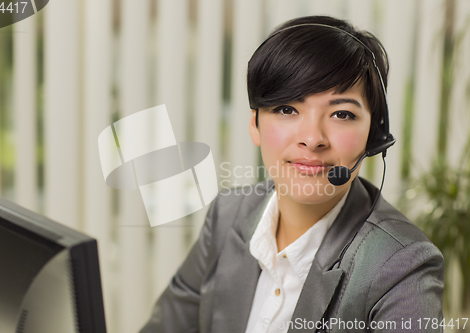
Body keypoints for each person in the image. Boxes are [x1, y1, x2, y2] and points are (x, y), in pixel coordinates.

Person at [140, 15, 444, 333]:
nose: (312, 138)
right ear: (254, 124)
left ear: (374, 136)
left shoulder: (402, 265)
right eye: (287, 109)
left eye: (342, 113)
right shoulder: (227, 215)